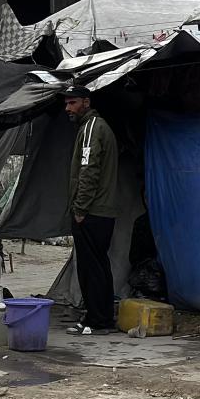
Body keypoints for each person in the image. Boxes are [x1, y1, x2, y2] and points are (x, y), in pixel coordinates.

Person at [62, 85, 119, 336]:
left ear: (86, 102)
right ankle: (101, 318)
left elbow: (89, 170)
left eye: (72, 103)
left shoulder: (91, 128)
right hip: (101, 211)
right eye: (67, 104)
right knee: (98, 266)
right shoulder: (96, 127)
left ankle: (95, 320)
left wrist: (80, 208)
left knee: (90, 267)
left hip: (93, 212)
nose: (68, 109)